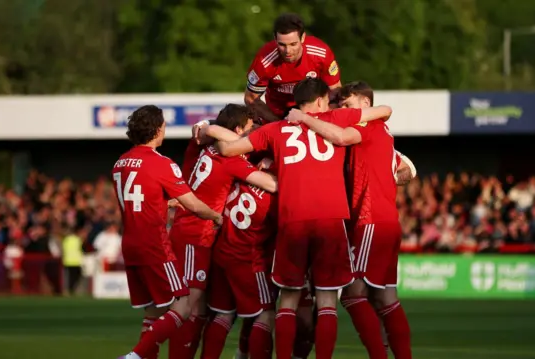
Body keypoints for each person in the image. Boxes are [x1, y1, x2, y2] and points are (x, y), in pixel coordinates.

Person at [209, 78, 392, 359]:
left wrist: (211, 129)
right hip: (330, 220)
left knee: (288, 302)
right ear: (320, 100)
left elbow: (228, 150)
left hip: (293, 221)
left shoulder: (274, 130)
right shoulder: (337, 118)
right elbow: (383, 110)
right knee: (328, 301)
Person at [292, 81, 416, 359]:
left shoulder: (367, 126)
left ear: (365, 105)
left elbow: (341, 137)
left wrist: (303, 118)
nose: (344, 110)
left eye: (348, 105)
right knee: (385, 298)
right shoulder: (382, 129)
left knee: (352, 295)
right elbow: (406, 167)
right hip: (385, 221)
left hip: (370, 219)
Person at [168, 104, 278, 359]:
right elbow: (269, 184)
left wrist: (212, 128)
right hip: (199, 235)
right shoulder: (233, 161)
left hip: (206, 238)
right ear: (239, 130)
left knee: (210, 312)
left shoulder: (199, 146)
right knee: (189, 308)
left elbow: (202, 130)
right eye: (249, 131)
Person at [114, 105, 223, 359]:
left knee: (152, 312)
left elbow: (139, 198)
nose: (165, 128)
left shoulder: (120, 163)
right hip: (154, 243)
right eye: (162, 124)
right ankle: (136, 356)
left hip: (130, 242)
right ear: (156, 129)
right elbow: (193, 204)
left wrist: (166, 203)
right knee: (183, 306)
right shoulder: (162, 163)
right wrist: (216, 215)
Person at [245, 13, 341, 123]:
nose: (288, 51)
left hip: (315, 113)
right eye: (282, 45)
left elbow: (336, 91)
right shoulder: (264, 61)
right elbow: (251, 99)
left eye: (293, 44)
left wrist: (324, 118)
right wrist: (279, 124)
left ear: (303, 38)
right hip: (278, 115)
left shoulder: (321, 54)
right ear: (275, 39)